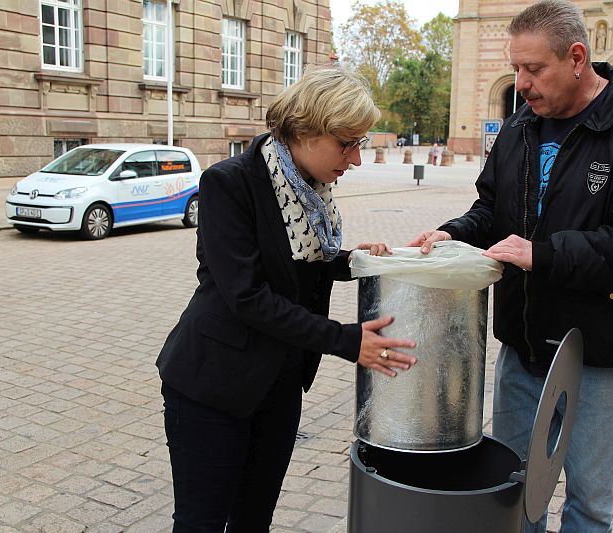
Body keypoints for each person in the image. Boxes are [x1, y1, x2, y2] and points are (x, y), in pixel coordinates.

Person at [408, 1, 613, 531]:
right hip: (523, 352)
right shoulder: (522, 125)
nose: (521, 82)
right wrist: (455, 232)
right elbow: (491, 210)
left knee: (587, 505)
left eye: (534, 69)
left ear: (577, 58)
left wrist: (546, 255)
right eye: (515, 68)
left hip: (602, 356)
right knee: (513, 494)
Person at [156, 66, 417, 532]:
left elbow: (302, 261)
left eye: (361, 143)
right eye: (347, 143)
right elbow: (249, 296)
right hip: (212, 383)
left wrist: (352, 260)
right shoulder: (229, 183)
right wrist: (347, 340)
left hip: (278, 383)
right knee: (202, 521)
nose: (355, 160)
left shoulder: (311, 190)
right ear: (304, 130)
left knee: (254, 519)